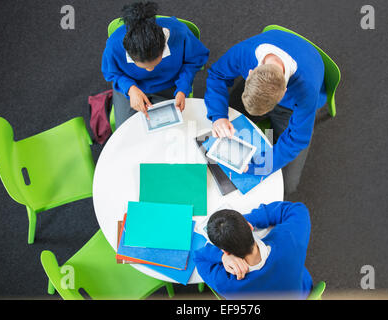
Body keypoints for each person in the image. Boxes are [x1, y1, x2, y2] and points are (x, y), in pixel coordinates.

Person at [204, 29, 327, 197]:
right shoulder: (243, 53)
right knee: (217, 132)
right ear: (249, 73)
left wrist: (259, 166)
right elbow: (217, 75)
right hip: (262, 88)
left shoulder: (306, 90)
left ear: (284, 92)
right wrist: (219, 116)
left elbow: (297, 140)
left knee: (288, 184)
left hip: (290, 108)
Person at [101, 1, 209, 128]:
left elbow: (194, 60)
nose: (150, 69)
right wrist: (130, 89)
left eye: (155, 62)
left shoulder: (180, 33)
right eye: (143, 65)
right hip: (131, 86)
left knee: (174, 129)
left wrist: (183, 88)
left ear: (163, 46)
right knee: (128, 128)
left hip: (170, 85)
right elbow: (111, 72)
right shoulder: (113, 45)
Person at [194, 201, 313, 299]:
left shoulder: (225, 283)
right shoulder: (289, 243)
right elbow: (297, 209)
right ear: (250, 227)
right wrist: (247, 221)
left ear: (225, 251)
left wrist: (222, 257)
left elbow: (199, 258)